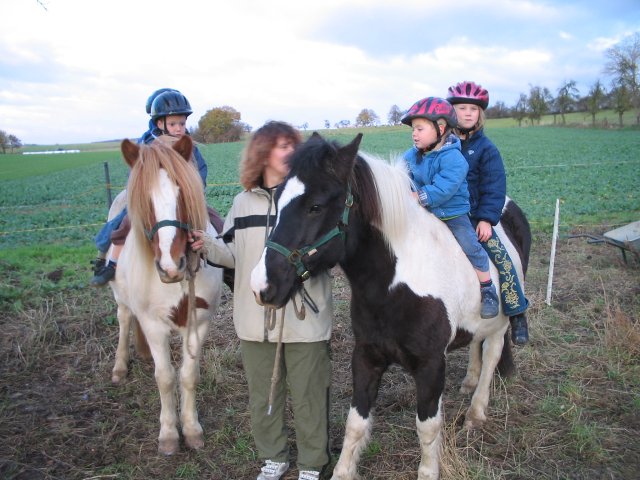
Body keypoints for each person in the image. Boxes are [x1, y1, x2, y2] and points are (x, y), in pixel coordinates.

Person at [190, 121, 333, 480]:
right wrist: (206, 245)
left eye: (293, 145)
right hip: (255, 316)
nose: (290, 151)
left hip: (306, 314)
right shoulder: (243, 202)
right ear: (262, 153)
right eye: (281, 145)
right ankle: (274, 457)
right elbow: (233, 255)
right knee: (263, 394)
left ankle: (313, 464)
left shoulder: (310, 197)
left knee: (309, 394)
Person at [90, 88, 215, 286]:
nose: (179, 128)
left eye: (182, 123)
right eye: (173, 123)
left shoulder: (190, 146)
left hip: (184, 198)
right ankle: (110, 262)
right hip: (155, 198)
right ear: (159, 123)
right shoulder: (148, 145)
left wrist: (195, 190)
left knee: (216, 221)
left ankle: (230, 266)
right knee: (124, 222)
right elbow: (137, 175)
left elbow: (201, 171)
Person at [401, 96, 499, 319]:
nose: (414, 134)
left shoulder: (454, 158)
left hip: (452, 214)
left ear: (440, 128)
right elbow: (400, 173)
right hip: (425, 213)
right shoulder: (411, 155)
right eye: (413, 129)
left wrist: (419, 196)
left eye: (419, 128)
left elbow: (444, 188)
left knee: (471, 245)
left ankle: (487, 289)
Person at [447, 81, 529, 344]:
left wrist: (485, 219)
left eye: (473, 109)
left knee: (503, 259)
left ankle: (516, 312)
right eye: (462, 108)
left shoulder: (486, 149)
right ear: (451, 112)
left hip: (473, 216)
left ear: (480, 114)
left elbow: (494, 187)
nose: (468, 113)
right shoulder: (441, 145)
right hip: (443, 213)